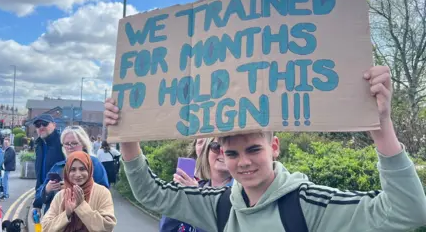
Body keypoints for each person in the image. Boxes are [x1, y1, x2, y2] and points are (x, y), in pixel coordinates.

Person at [104, 66, 426, 232]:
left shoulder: (308, 203)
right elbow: (151, 194)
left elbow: (408, 212)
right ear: (219, 154)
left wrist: (381, 126)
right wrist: (129, 136)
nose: (243, 162)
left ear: (274, 147)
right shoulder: (218, 204)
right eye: (231, 153)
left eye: (253, 150)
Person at [160, 138, 234, 232]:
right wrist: (175, 198)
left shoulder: (242, 195)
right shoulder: (197, 186)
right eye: (216, 146)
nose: (223, 151)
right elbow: (167, 228)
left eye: (230, 148)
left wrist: (196, 199)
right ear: (206, 152)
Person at [37, 125, 109, 214]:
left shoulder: (93, 163)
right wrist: (47, 189)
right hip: (56, 221)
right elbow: (39, 195)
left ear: (83, 143)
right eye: (66, 144)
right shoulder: (58, 167)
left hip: (83, 219)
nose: (70, 147)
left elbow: (104, 192)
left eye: (74, 143)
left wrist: (72, 189)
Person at [41, 151, 116, 232]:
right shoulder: (61, 195)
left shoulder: (102, 193)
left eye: (82, 169)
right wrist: (67, 214)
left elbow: (107, 227)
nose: (78, 174)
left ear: (89, 169)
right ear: (67, 172)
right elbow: (45, 227)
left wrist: (81, 206)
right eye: (73, 170)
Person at [32, 114, 65, 215]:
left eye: (45, 123)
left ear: (54, 125)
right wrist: (37, 204)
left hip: (61, 199)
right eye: (38, 125)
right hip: (47, 198)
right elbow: (40, 177)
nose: (41, 127)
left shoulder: (63, 143)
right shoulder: (39, 145)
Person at [1, 136, 16, 200]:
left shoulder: (10, 150)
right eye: (5, 143)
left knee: (5, 181)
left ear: (9, 143)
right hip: (6, 168)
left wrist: (1, 161)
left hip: (7, 168)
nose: (5, 144)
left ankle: (5, 194)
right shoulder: (7, 150)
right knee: (3, 181)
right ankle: (4, 193)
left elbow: (6, 159)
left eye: (7, 143)